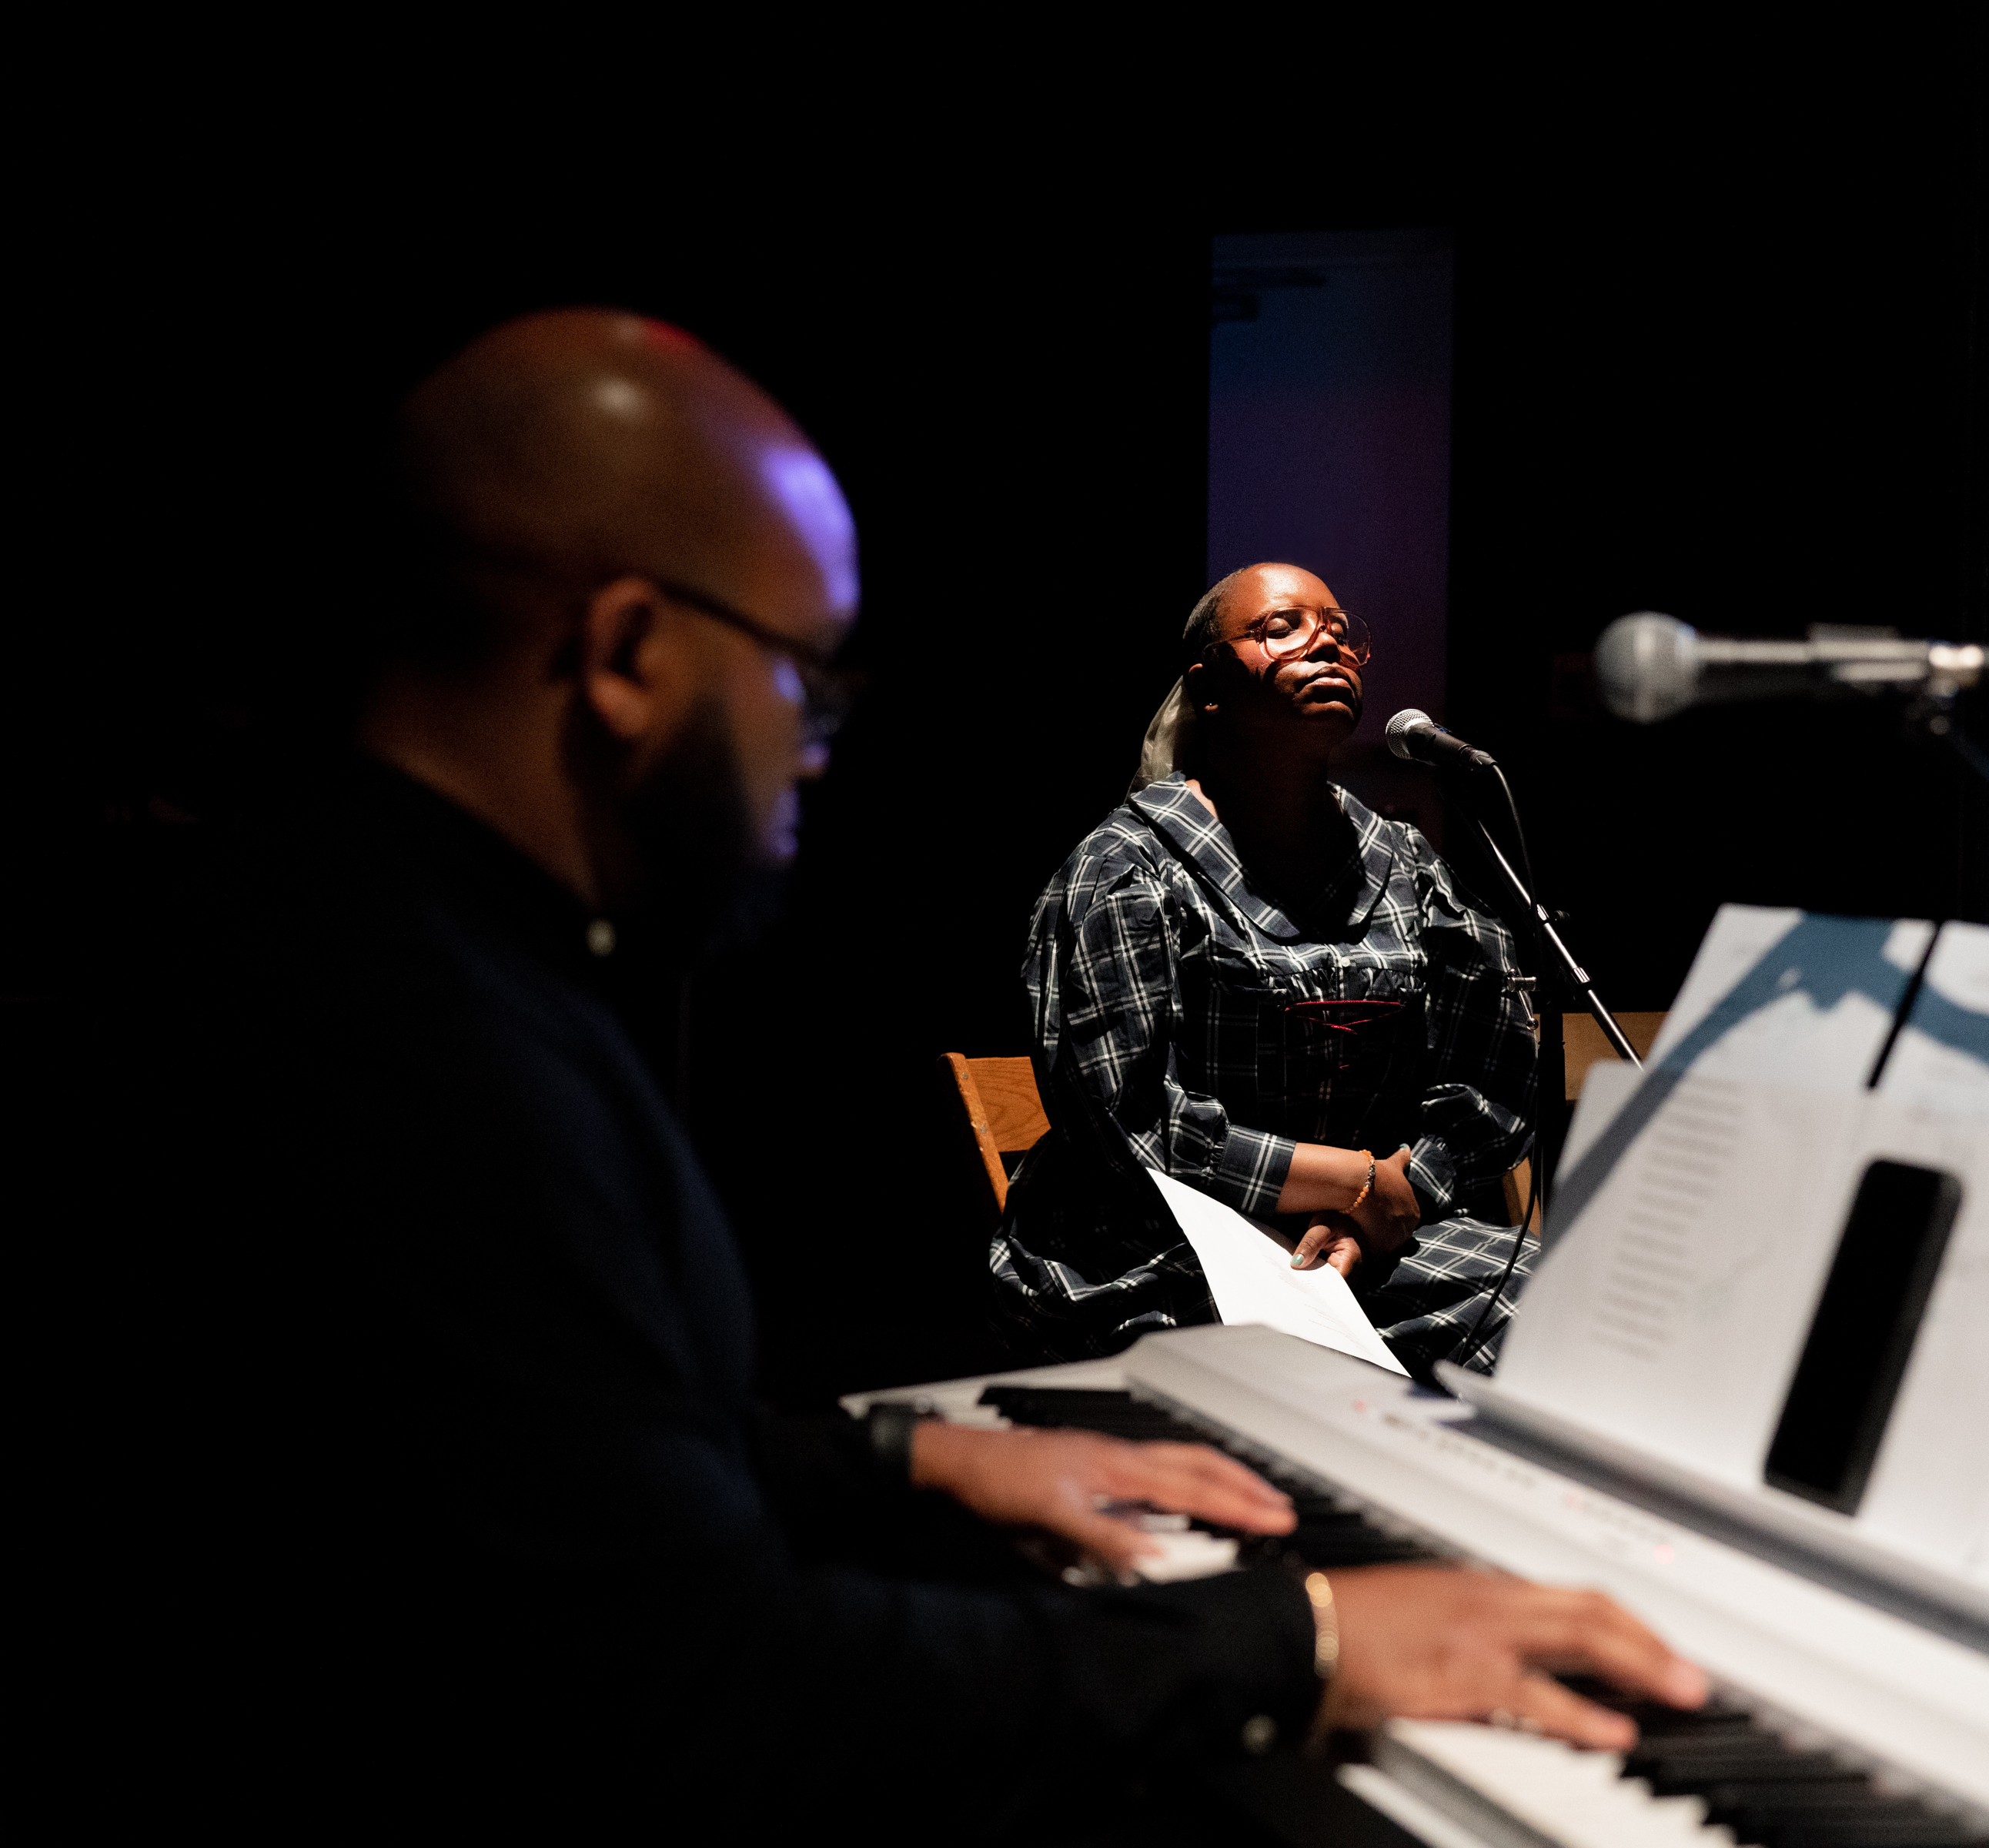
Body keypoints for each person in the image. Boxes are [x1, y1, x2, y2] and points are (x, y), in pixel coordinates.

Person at [130, 311, 1700, 1830]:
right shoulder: (417, 1057)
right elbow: (714, 1690)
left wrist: (886, 1457)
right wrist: (1302, 1641)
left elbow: (545, 1461)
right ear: (626, 653)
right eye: (804, 677)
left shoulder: (382, 941)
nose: (815, 749)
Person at [993, 564, 1545, 1376]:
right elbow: (1128, 1124)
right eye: (1282, 627)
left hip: (1364, 1245)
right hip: (1159, 1247)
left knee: (1559, 1304)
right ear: (1206, 685)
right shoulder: (1129, 870)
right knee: (1288, 1358)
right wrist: (1345, 1179)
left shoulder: (1405, 866)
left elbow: (1486, 1079)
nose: (1326, 642)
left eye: (1341, 631)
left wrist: (1385, 1204)